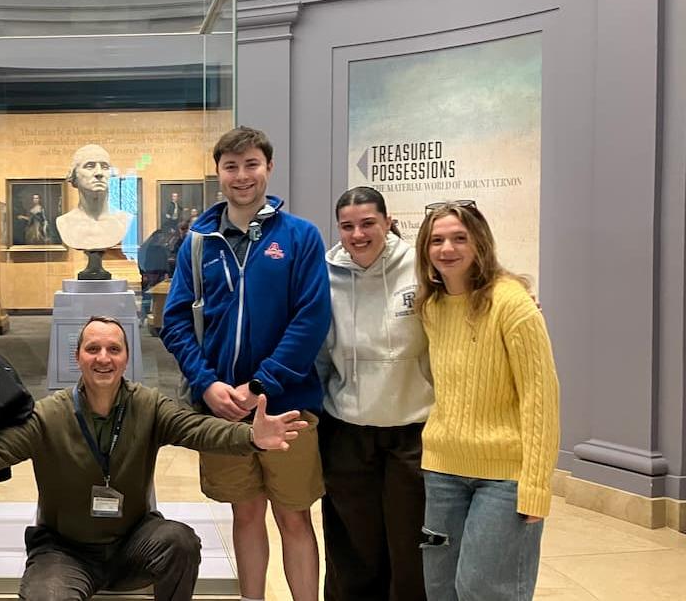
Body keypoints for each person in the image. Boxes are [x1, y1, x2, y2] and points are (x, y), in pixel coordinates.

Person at [0, 317, 312, 601]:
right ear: (78, 358)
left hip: (134, 541)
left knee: (180, 541)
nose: (103, 358)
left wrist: (250, 437)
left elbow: (199, 430)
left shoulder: (149, 406)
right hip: (64, 550)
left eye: (114, 349)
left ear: (126, 359)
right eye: (93, 349)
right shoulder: (49, 414)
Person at [160, 126, 330, 601]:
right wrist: (208, 383)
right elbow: (175, 321)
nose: (242, 176)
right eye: (231, 166)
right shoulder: (198, 241)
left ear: (269, 168)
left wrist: (262, 384)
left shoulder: (299, 237)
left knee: (294, 515)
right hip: (221, 409)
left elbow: (311, 318)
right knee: (246, 512)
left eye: (252, 164)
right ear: (218, 173)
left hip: (287, 405)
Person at [413, 200, 559, 601]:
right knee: (441, 588)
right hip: (442, 470)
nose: (447, 249)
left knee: (484, 590)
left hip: (503, 477)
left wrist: (536, 486)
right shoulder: (430, 306)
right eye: (437, 240)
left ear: (480, 242)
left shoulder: (513, 304)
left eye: (459, 238)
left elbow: (540, 399)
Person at [315, 187, 431, 600]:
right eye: (347, 226)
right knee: (353, 544)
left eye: (368, 224)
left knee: (409, 544)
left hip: (411, 431)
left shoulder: (420, 266)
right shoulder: (324, 272)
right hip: (346, 428)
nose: (358, 234)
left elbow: (476, 286)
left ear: (387, 221)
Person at [56, 144, 133, 250]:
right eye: (90, 166)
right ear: (74, 175)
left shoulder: (124, 219)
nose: (99, 173)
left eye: (105, 167)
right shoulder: (64, 223)